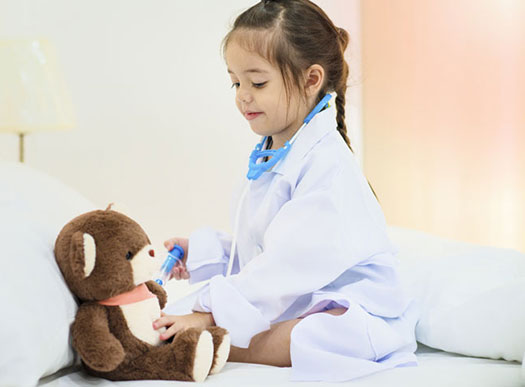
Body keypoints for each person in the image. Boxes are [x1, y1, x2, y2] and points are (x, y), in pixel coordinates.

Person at [153, 0, 418, 382]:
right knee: (240, 319)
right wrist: (205, 253)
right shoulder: (276, 151)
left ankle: (212, 341)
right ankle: (214, 337)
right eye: (236, 82)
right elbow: (267, 249)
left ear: (312, 80)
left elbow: (288, 264)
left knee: (314, 333)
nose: (243, 95)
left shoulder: (327, 165)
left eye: (258, 82)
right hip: (302, 290)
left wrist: (208, 314)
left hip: (356, 313)